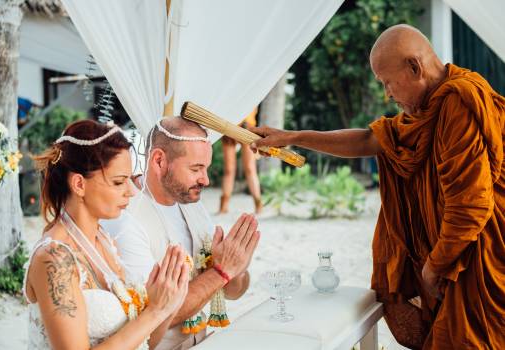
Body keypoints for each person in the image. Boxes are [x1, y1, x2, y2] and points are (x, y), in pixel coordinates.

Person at [249, 24, 505, 349]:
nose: (387, 94)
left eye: (387, 82)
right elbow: (372, 139)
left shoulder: (460, 102)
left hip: (476, 265)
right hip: (458, 264)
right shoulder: (429, 107)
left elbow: (470, 205)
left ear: (415, 67)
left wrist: (434, 267)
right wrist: (293, 137)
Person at [23, 119, 189, 350]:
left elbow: (145, 342)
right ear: (79, 184)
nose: (131, 191)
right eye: (119, 182)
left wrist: (167, 303)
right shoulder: (54, 259)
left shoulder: (104, 241)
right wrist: (154, 312)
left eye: (130, 180)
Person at [102, 117, 260, 350]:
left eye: (206, 168)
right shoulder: (127, 218)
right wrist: (221, 271)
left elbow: (234, 292)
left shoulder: (190, 201)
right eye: (196, 168)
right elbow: (157, 313)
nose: (205, 180)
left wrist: (236, 269)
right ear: (159, 161)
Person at [219, 107, 263, 214]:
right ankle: (223, 205)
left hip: (247, 125)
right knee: (229, 169)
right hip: (229, 125)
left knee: (250, 168)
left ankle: (258, 204)